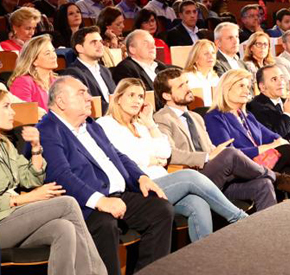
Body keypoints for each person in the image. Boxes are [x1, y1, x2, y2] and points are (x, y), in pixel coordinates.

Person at [38, 76, 174, 275]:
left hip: (117, 195)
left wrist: (141, 177)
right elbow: (60, 175)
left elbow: (116, 154)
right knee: (105, 223)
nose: (89, 97)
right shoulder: (47, 129)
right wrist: (100, 201)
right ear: (61, 102)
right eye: (81, 93)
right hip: (84, 203)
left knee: (161, 210)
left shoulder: (90, 124)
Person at [0, 88, 107, 275]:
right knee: (67, 203)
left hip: (16, 216)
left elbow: (31, 179)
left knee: (64, 228)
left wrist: (36, 147)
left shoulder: (5, 144)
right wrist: (28, 198)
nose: (13, 112)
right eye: (6, 107)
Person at [96, 78, 247, 242]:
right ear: (118, 98)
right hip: (140, 187)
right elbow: (125, 159)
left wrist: (150, 124)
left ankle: (205, 258)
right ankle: (238, 217)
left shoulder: (141, 125)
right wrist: (152, 159)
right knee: (190, 176)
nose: (137, 100)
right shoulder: (106, 124)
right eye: (131, 95)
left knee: (198, 203)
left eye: (140, 96)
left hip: (164, 181)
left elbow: (165, 152)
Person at [152, 69, 278, 212]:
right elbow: (170, 153)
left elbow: (210, 149)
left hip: (215, 178)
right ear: (166, 95)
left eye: (187, 83)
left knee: (264, 184)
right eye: (181, 86)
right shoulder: (162, 118)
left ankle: (270, 232)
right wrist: (206, 157)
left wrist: (215, 153)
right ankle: (275, 176)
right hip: (193, 178)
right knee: (231, 153)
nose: (188, 88)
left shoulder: (196, 117)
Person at [203, 70, 290, 195]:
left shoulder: (247, 116)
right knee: (289, 152)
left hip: (264, 163)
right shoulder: (215, 117)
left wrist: (275, 143)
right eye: (241, 86)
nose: (247, 91)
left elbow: (275, 137)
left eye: (248, 87)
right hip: (244, 168)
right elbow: (228, 154)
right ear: (226, 89)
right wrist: (268, 147)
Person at [62, 27, 116, 110]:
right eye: (94, 42)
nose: (100, 45)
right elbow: (87, 102)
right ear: (80, 48)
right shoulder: (73, 73)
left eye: (100, 41)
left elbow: (115, 96)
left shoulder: (105, 70)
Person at [8, 36, 59, 111]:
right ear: (34, 61)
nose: (54, 56)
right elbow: (24, 114)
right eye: (47, 53)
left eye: (53, 51)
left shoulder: (57, 81)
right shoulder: (23, 82)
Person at [182, 40, 221, 108]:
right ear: (195, 58)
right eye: (206, 54)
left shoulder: (215, 78)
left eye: (213, 53)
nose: (211, 56)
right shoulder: (187, 78)